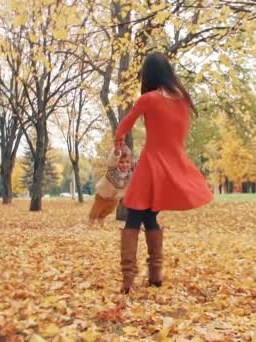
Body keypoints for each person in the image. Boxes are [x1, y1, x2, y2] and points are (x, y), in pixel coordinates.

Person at [115, 52, 213, 293]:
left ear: (148, 75)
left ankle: (128, 279)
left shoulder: (148, 99)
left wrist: (119, 143)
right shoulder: (183, 101)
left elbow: (124, 126)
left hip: (151, 166)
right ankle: (155, 275)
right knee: (150, 217)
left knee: (133, 217)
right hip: (173, 165)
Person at [88, 146, 132, 224]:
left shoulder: (129, 174)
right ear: (117, 162)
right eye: (121, 162)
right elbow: (112, 160)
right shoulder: (112, 170)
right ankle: (91, 220)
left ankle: (101, 218)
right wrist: (116, 152)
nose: (125, 165)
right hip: (103, 195)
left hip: (114, 198)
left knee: (110, 210)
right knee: (97, 209)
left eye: (127, 162)